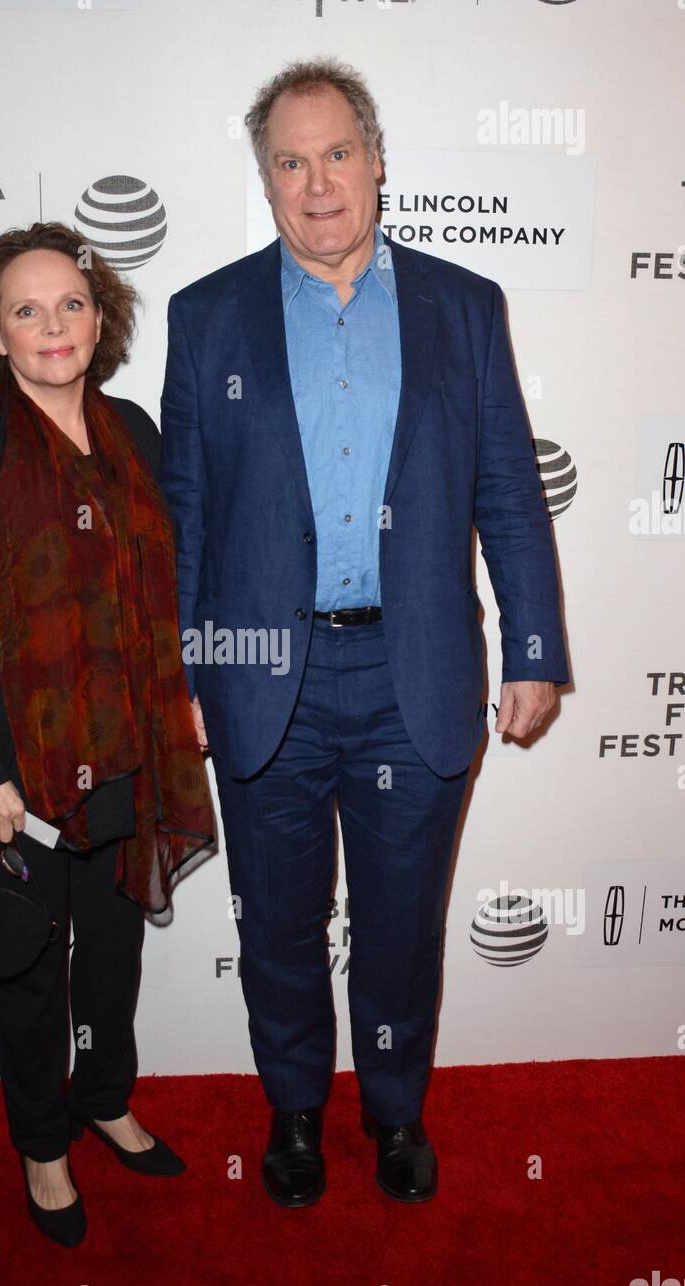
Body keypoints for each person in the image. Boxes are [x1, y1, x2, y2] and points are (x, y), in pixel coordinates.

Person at [160, 59, 569, 1208]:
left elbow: (504, 490)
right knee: (278, 922)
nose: (316, 181)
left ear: (377, 161)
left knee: (399, 926)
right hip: (261, 682)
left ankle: (393, 1113)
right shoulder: (206, 315)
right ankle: (292, 1113)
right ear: (266, 179)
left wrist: (532, 645)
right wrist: (182, 670)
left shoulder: (463, 305)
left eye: (336, 152)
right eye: (288, 161)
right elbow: (185, 507)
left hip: (415, 669)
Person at [0, 221, 215, 1246]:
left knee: (115, 949)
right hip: (19, 771)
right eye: (26, 310)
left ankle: (105, 1096)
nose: (53, 325)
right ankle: (44, 1147)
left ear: (99, 315)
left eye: (70, 303)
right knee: (33, 970)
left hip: (126, 741)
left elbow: (164, 583)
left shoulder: (133, 428)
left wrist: (189, 694)